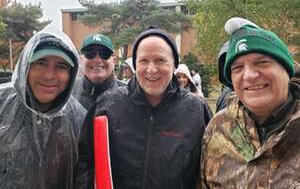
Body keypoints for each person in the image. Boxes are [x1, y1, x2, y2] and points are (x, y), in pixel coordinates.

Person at [75, 26, 212, 189]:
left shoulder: (196, 110)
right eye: (144, 61)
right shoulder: (108, 105)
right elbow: (85, 163)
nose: (151, 69)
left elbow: (208, 170)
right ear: (135, 65)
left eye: (160, 60)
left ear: (174, 64)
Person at [200, 17, 300, 189]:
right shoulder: (217, 128)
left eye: (262, 62)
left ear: (287, 69)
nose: (249, 75)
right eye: (237, 68)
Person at [0, 27, 86, 189]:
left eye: (61, 66)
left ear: (72, 73)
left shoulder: (79, 119)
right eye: (40, 63)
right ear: (26, 66)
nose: (49, 75)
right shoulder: (3, 105)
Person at [72, 34, 125, 110]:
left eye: (104, 54)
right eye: (90, 53)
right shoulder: (67, 93)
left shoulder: (129, 95)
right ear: (81, 60)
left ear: (113, 61)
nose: (97, 59)